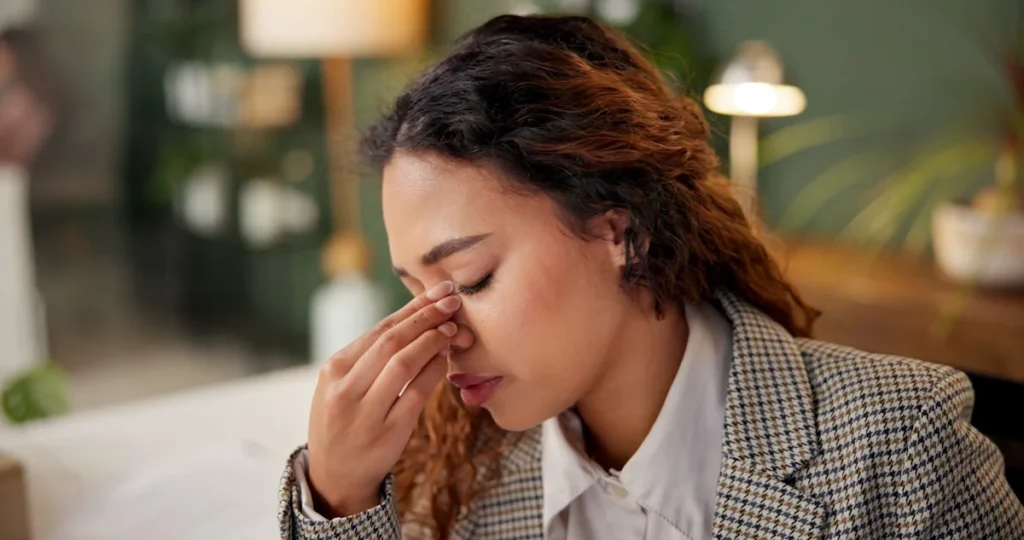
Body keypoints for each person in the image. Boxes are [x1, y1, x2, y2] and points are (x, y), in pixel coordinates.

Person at [278, 14, 1024, 540]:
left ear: (618, 230)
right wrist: (339, 499)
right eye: (414, 290)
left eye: (469, 280)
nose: (438, 336)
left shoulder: (901, 444)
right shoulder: (448, 471)